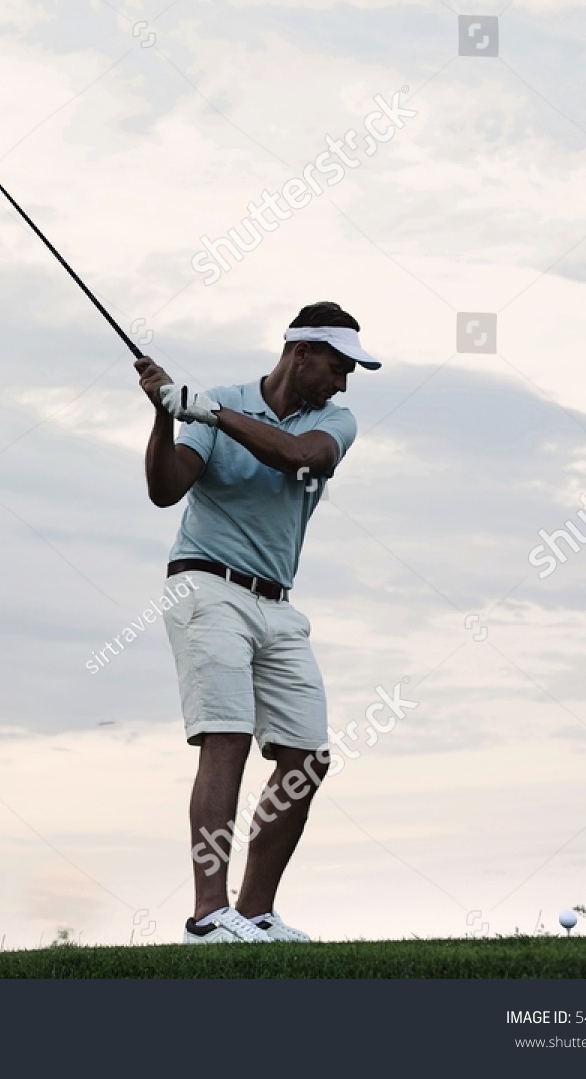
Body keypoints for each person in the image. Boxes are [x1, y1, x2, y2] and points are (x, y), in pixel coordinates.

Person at [133, 301, 380, 944]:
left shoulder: (334, 420)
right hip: (205, 584)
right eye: (337, 365)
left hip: (277, 605)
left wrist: (206, 411)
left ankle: (253, 912)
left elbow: (301, 455)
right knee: (227, 739)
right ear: (301, 353)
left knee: (308, 757)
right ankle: (208, 916)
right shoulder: (213, 404)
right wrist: (165, 416)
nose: (344, 381)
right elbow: (167, 489)